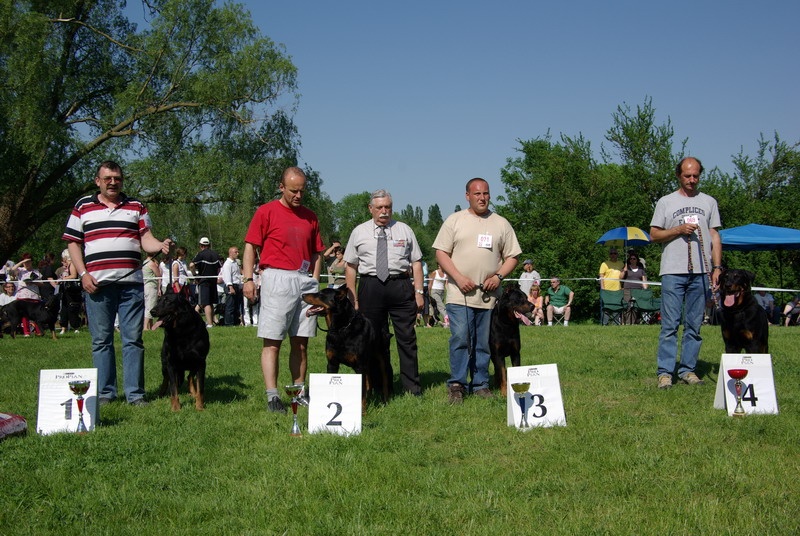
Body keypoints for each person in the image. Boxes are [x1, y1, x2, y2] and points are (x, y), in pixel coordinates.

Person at [63, 160, 172, 406]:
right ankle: (105, 394)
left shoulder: (136, 206)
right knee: (101, 341)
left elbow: (147, 240)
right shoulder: (82, 206)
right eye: (108, 178)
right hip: (96, 285)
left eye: (117, 178)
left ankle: (135, 394)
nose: (113, 182)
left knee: (133, 339)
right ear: (98, 181)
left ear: (122, 180)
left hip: (131, 285)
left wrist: (161, 246)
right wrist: (82, 274)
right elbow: (72, 242)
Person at [242, 167, 325, 413]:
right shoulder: (265, 211)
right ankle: (272, 396)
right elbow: (250, 246)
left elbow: (317, 252)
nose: (298, 196)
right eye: (293, 191)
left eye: (302, 191)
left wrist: (314, 281)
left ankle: (299, 393)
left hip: (304, 280)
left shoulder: (311, 216)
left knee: (301, 343)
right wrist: (248, 278)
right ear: (281, 187)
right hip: (276, 278)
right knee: (273, 342)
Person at [433, 178, 521, 404]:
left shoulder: (501, 223)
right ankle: (457, 385)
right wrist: (459, 278)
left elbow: (512, 256)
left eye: (486, 193)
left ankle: (480, 384)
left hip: (489, 297)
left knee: (483, 343)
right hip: (458, 293)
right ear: (467, 196)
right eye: (477, 194)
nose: (482, 198)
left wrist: (498, 276)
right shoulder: (455, 220)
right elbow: (441, 253)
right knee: (461, 338)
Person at [650, 157, 722, 389]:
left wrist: (717, 268)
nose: (692, 180)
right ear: (678, 176)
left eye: (696, 175)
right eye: (687, 176)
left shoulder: (709, 202)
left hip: (702, 272)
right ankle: (665, 373)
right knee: (670, 325)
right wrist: (678, 230)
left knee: (694, 325)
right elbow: (654, 235)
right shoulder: (665, 202)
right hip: (672, 271)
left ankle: (688, 370)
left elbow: (714, 236)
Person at [344, 189, 425, 396]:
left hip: (400, 286)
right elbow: (351, 266)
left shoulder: (404, 230)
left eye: (387, 207)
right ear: (370, 209)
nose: (384, 211)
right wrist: (352, 296)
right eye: (379, 207)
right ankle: (381, 387)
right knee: (374, 339)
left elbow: (416, 262)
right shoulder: (359, 232)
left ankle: (411, 388)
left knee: (407, 339)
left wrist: (419, 292)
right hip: (371, 287)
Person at [190, 237, 221, 328]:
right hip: (213, 280)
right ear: (209, 245)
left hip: (204, 280)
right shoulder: (215, 254)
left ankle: (210, 323)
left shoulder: (200, 254)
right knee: (210, 302)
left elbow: (191, 265)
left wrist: (195, 276)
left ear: (201, 246)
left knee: (205, 302)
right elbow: (219, 268)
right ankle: (211, 321)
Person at [11, 253, 43, 336]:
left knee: (36, 314)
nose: (27, 264)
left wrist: (33, 282)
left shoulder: (36, 271)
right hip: (23, 295)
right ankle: (26, 332)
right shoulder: (20, 270)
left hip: (34, 295)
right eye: (25, 262)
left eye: (29, 262)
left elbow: (42, 283)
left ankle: (38, 331)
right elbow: (11, 271)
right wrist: (21, 262)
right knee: (24, 315)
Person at [57, 249, 83, 334]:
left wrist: (63, 279)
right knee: (64, 308)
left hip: (71, 291)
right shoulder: (68, 265)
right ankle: (63, 327)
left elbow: (74, 275)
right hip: (66, 290)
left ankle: (75, 326)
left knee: (71, 308)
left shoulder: (72, 264)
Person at [598, 248, 624, 325]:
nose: (613, 255)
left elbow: (622, 277)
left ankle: (615, 324)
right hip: (606, 290)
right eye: (611, 253)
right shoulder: (604, 264)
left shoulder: (621, 263)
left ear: (617, 255)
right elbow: (601, 276)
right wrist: (603, 289)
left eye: (615, 253)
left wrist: (624, 270)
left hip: (617, 290)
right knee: (606, 307)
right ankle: (604, 324)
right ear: (609, 255)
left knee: (616, 307)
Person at [621, 251, 648, 324]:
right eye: (631, 259)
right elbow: (620, 277)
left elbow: (644, 280)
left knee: (636, 307)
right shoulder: (626, 268)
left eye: (634, 259)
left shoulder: (641, 270)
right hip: (627, 289)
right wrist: (624, 271)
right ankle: (625, 322)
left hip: (638, 290)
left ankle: (633, 322)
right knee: (627, 306)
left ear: (637, 260)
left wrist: (645, 289)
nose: (632, 260)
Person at [221, 246, 244, 326]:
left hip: (237, 285)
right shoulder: (227, 264)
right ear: (230, 253)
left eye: (237, 252)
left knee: (235, 305)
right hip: (231, 285)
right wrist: (230, 287)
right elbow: (227, 276)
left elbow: (237, 275)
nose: (237, 253)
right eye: (236, 252)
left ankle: (235, 321)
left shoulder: (235, 263)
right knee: (230, 305)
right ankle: (229, 323)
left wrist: (240, 285)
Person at [142, 253, 161, 331]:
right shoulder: (151, 263)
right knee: (150, 306)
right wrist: (159, 288)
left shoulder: (144, 262)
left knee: (150, 305)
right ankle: (145, 327)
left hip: (146, 286)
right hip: (151, 286)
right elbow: (158, 275)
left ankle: (151, 325)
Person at [428, 261, 448, 327]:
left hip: (442, 291)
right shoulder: (435, 272)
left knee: (437, 308)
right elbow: (430, 283)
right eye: (439, 264)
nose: (440, 266)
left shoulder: (446, 273)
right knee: (441, 306)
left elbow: (446, 284)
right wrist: (429, 293)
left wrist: (448, 291)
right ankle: (447, 320)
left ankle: (437, 321)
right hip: (434, 291)